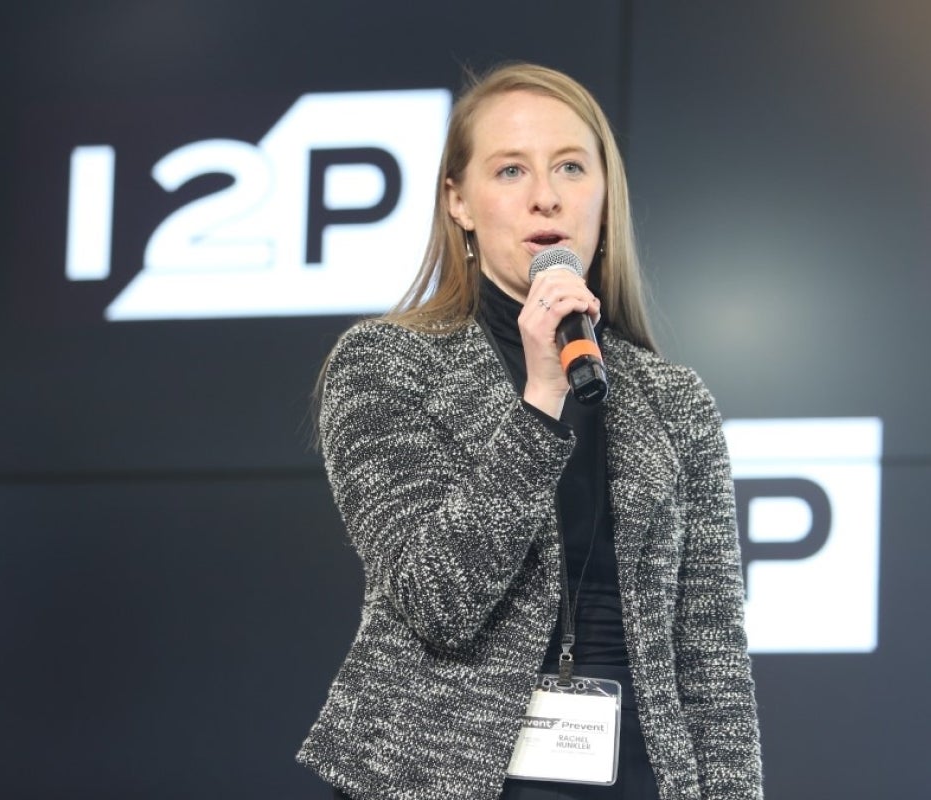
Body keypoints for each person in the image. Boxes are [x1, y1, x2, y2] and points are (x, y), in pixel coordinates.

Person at [296, 62, 763, 800]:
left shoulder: (675, 403)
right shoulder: (387, 365)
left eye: (571, 167)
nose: (545, 194)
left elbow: (712, 657)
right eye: (511, 169)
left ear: (605, 199)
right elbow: (437, 599)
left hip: (637, 775)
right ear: (460, 202)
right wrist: (541, 397)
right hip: (435, 777)